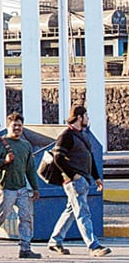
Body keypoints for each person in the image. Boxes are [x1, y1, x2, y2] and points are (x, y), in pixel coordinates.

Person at [47, 105, 112, 257]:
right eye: (86, 116)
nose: (88, 119)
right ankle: (93, 246)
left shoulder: (82, 134)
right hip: (73, 182)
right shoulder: (67, 135)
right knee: (83, 213)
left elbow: (89, 157)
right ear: (79, 117)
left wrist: (96, 178)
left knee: (71, 210)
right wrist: (73, 175)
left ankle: (55, 240)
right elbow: (57, 158)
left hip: (83, 180)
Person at [0, 112, 41, 259]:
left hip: (22, 189)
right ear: (8, 126)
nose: (17, 128)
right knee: (0, 218)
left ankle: (25, 249)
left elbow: (30, 169)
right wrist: (4, 161)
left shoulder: (26, 145)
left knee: (26, 218)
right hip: (6, 188)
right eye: (14, 125)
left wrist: (35, 188)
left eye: (20, 126)